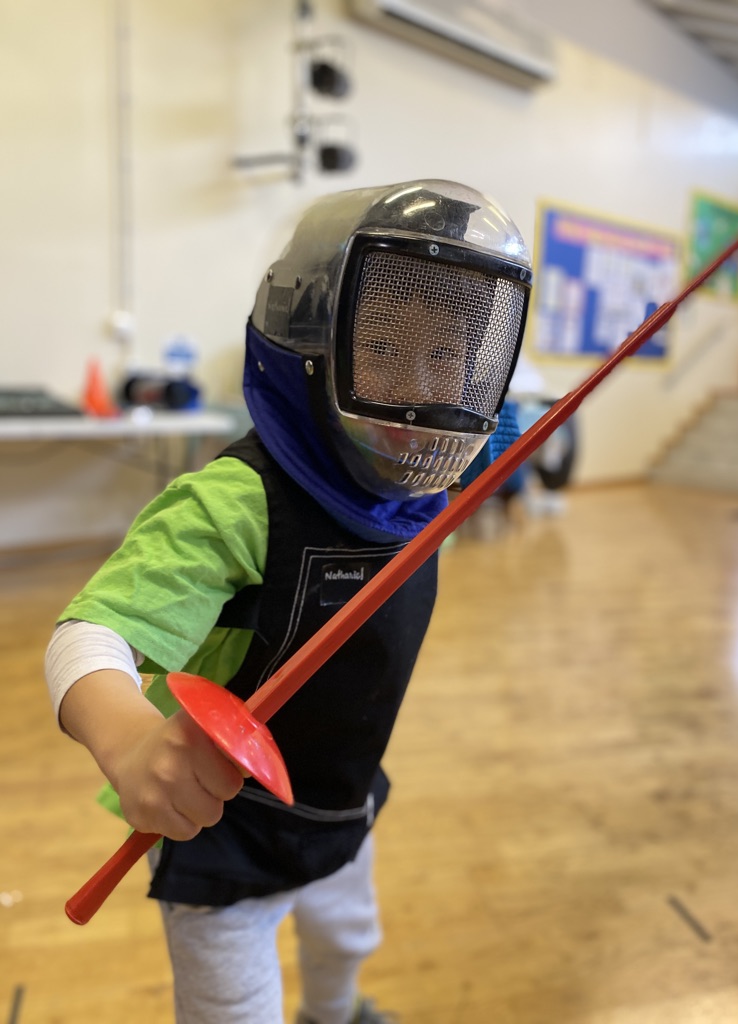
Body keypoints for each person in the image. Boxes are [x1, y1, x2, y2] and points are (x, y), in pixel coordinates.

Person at [45, 179, 533, 1024]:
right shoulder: (235, 503)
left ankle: (334, 1015)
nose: (424, 395)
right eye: (387, 347)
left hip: (342, 799)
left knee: (348, 942)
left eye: (450, 360)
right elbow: (87, 636)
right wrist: (127, 744)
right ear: (309, 337)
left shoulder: (422, 503)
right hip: (225, 832)